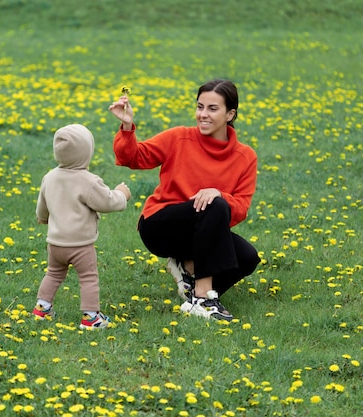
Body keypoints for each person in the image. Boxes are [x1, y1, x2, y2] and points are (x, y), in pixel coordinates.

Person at [108, 79, 261, 321]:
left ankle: (189, 277)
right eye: (200, 107)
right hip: (160, 225)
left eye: (213, 109)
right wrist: (127, 127)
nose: (203, 115)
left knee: (247, 257)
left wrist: (219, 193)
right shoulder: (179, 137)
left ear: (230, 114)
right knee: (213, 203)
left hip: (202, 232)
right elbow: (134, 158)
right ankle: (203, 297)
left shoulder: (245, 156)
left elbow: (241, 208)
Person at [33, 123, 131, 329]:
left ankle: (42, 309)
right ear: (87, 152)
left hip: (56, 243)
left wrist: (42, 218)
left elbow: (42, 204)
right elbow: (108, 202)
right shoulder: (88, 181)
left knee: (53, 273)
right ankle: (91, 317)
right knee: (88, 278)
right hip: (80, 245)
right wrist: (122, 194)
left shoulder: (49, 177)